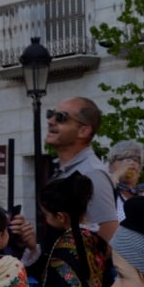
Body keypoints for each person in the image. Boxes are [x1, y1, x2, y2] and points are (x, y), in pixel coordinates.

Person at [46, 97, 118, 243]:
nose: (50, 121)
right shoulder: (61, 169)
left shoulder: (92, 174)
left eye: (61, 117)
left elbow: (108, 241)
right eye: (50, 114)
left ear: (83, 131)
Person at [106, 139, 144, 221]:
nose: (130, 163)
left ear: (140, 168)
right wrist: (117, 175)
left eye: (135, 159)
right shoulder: (107, 192)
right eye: (122, 158)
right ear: (110, 166)